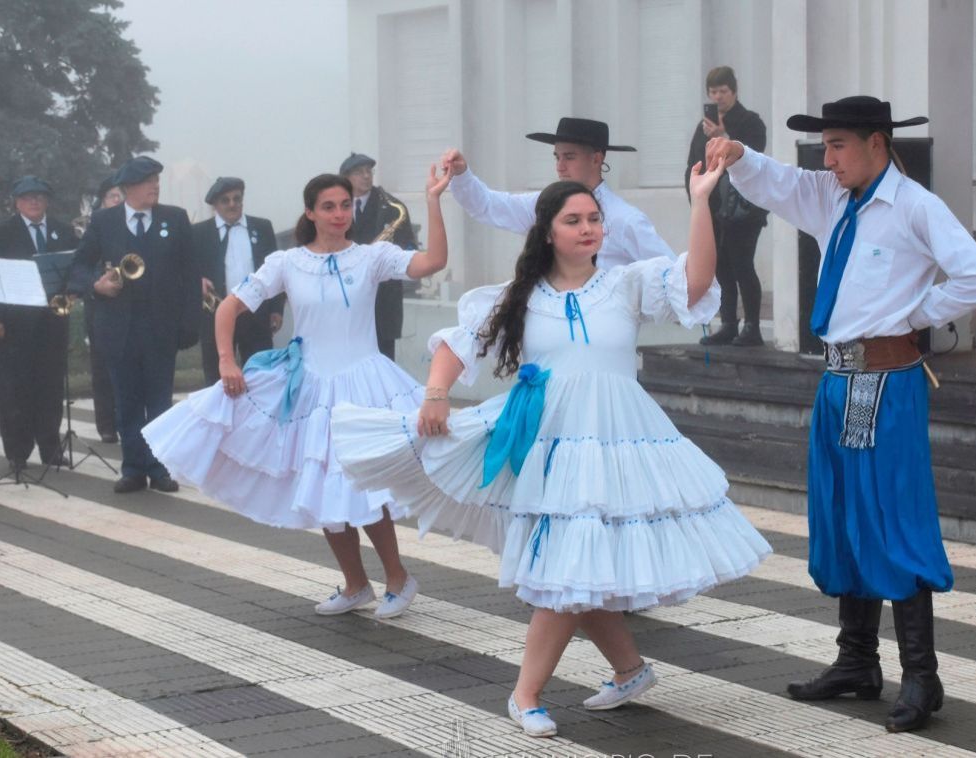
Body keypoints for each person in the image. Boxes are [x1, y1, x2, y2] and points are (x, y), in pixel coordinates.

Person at [330, 162, 772, 737]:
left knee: (573, 564)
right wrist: (436, 394)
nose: (588, 228)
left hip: (617, 439)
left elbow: (695, 282)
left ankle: (529, 692)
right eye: (574, 220)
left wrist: (701, 201)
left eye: (594, 219)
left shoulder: (627, 283)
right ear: (548, 231)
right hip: (547, 444)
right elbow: (459, 346)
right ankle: (623, 673)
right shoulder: (519, 297)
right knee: (571, 564)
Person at [707, 96, 976, 733]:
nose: (828, 159)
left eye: (838, 145)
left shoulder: (916, 206)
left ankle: (922, 675)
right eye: (824, 148)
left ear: (877, 143)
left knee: (895, 517)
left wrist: (913, 315)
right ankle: (857, 662)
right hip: (838, 378)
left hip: (890, 381)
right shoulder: (833, 198)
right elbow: (781, 183)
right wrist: (737, 154)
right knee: (841, 514)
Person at [144, 167, 452, 619]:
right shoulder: (287, 262)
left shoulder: (372, 257)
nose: (339, 214)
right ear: (310, 211)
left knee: (361, 485)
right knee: (324, 488)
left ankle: (399, 578)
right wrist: (227, 362)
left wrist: (433, 199)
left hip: (363, 382)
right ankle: (355, 583)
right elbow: (229, 307)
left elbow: (433, 262)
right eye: (328, 206)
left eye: (345, 205)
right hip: (309, 388)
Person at [67, 156, 200, 494]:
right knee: (126, 402)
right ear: (128, 188)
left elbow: (189, 274)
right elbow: (79, 266)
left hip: (160, 328)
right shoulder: (103, 221)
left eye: (156, 179)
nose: (155, 185)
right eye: (147, 181)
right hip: (118, 328)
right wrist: (95, 286)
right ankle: (132, 468)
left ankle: (158, 468)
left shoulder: (175, 218)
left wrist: (189, 324)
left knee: (159, 402)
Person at [440, 117, 674, 269]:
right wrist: (462, 174)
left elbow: (673, 274)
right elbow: (488, 206)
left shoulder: (624, 219)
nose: (560, 165)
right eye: (557, 157)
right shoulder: (544, 205)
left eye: (569, 157)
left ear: (596, 158)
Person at [0, 176, 79, 471]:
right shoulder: (0, 232)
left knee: (50, 389)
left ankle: (50, 448)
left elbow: (76, 267)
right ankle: (17, 452)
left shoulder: (63, 231)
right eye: (27, 197)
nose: (34, 202)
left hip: (52, 322)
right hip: (14, 324)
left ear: (47, 201)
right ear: (16, 202)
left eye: (39, 197)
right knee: (15, 390)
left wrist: (74, 290)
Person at [686, 65, 769, 346]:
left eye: (723, 91)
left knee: (742, 263)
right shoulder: (703, 127)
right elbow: (693, 163)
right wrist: (696, 202)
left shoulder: (750, 121)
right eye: (713, 92)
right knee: (720, 267)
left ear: (734, 91)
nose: (718, 97)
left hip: (744, 209)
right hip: (714, 208)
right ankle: (729, 323)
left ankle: (753, 327)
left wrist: (725, 134)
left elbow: (755, 155)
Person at [195, 177, 283, 384]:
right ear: (215, 205)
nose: (232, 204)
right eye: (225, 200)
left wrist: (276, 309)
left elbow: (275, 270)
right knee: (217, 375)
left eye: (237, 199)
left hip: (256, 312)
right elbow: (187, 267)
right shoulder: (199, 233)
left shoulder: (261, 227)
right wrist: (197, 280)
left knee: (261, 374)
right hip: (216, 314)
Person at [340, 153, 418, 360]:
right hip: (347, 298)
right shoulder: (337, 206)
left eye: (369, 171)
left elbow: (408, 246)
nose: (366, 176)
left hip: (382, 299)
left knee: (383, 360)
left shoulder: (393, 208)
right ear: (346, 177)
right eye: (359, 172)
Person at [83, 173, 123, 444]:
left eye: (121, 195)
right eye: (112, 196)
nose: (118, 200)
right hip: (100, 305)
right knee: (102, 367)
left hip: (127, 307)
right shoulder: (95, 227)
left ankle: (125, 419)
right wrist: (99, 282)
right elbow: (82, 267)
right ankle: (106, 424)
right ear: (102, 201)